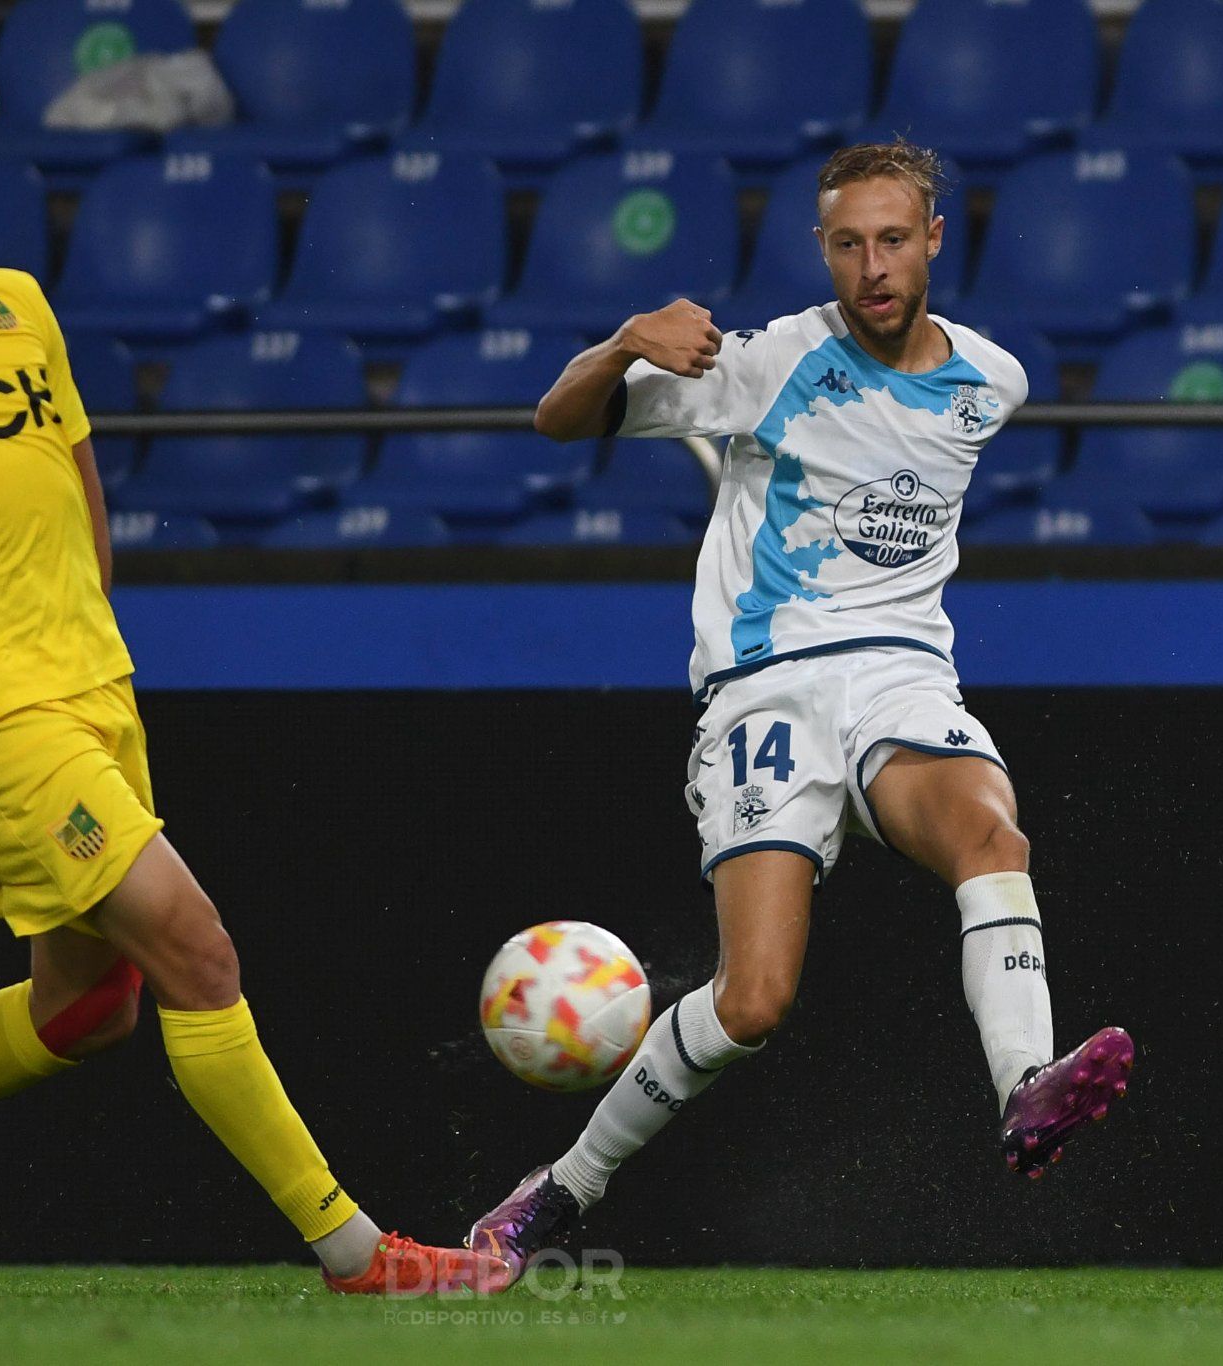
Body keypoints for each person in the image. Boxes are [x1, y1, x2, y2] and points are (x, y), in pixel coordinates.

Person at [0, 75, 505, 1298]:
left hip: (94, 684)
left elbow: (74, 474)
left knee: (86, 1008)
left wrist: (88, 620)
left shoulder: (11, 300)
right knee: (197, 952)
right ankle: (356, 1250)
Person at [466, 139, 1136, 1281]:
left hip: (898, 673)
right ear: (821, 249)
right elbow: (557, 420)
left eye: (890, 238)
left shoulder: (991, 382)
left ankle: (1024, 1087)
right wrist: (627, 338)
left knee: (990, 833)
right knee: (752, 1000)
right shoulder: (768, 361)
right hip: (765, 684)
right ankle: (561, 1188)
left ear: (932, 238)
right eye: (845, 243)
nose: (870, 266)